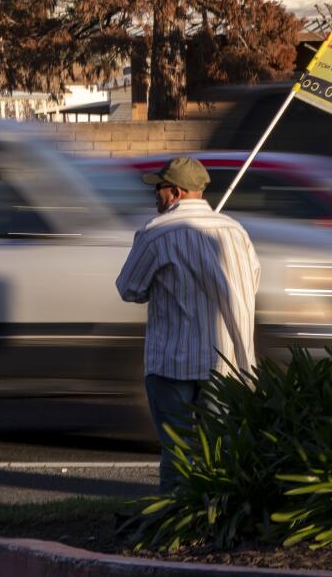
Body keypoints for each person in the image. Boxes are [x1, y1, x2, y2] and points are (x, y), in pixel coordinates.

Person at [115, 156, 260, 494]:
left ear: (176, 192)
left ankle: (173, 521)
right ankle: (214, 520)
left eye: (160, 189)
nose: (155, 195)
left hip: (171, 359)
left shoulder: (155, 234)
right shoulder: (236, 233)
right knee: (220, 453)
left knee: (177, 453)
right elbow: (251, 282)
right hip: (225, 362)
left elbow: (129, 288)